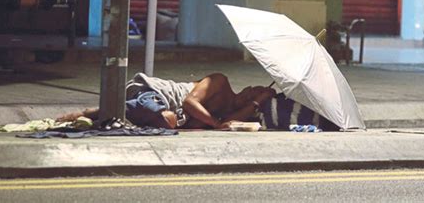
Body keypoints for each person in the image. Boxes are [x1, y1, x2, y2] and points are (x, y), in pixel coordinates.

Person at [57, 73, 276, 130]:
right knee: (168, 118)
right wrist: (216, 124)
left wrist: (257, 103)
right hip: (151, 92)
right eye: (253, 91)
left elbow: (227, 124)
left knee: (168, 121)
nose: (252, 96)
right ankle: (97, 111)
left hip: (161, 110)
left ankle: (107, 112)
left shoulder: (224, 114)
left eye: (254, 101)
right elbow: (189, 103)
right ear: (246, 87)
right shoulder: (220, 81)